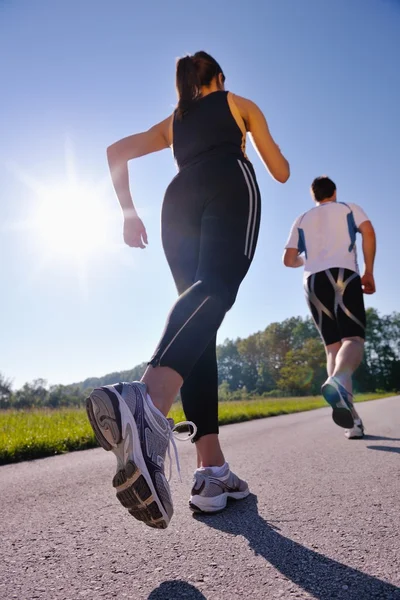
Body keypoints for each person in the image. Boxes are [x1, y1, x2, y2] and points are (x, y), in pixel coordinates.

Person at [86, 51, 290, 529]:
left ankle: (210, 470)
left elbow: (116, 151)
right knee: (215, 292)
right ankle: (149, 402)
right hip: (227, 180)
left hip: (174, 202)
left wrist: (128, 212)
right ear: (217, 78)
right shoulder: (237, 102)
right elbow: (280, 171)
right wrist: (250, 136)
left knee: (200, 328)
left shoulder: (173, 124)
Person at [283, 176, 376, 439]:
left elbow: (288, 259)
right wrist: (369, 272)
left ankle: (353, 422)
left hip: (313, 281)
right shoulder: (349, 208)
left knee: (333, 347)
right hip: (344, 275)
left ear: (314, 196)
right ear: (334, 192)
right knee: (353, 339)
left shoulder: (302, 219)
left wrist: (306, 260)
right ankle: (339, 382)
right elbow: (368, 231)